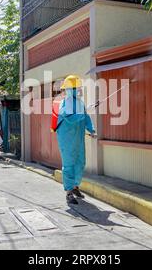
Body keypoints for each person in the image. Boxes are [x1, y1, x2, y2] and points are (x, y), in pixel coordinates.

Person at [55, 75, 95, 205]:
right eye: (73, 87)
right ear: (67, 89)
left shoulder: (80, 103)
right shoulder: (64, 103)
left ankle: (75, 187)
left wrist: (91, 130)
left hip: (78, 138)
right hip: (66, 139)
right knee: (69, 164)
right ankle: (69, 193)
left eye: (76, 87)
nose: (75, 90)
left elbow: (86, 118)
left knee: (80, 162)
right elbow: (70, 118)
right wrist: (81, 114)